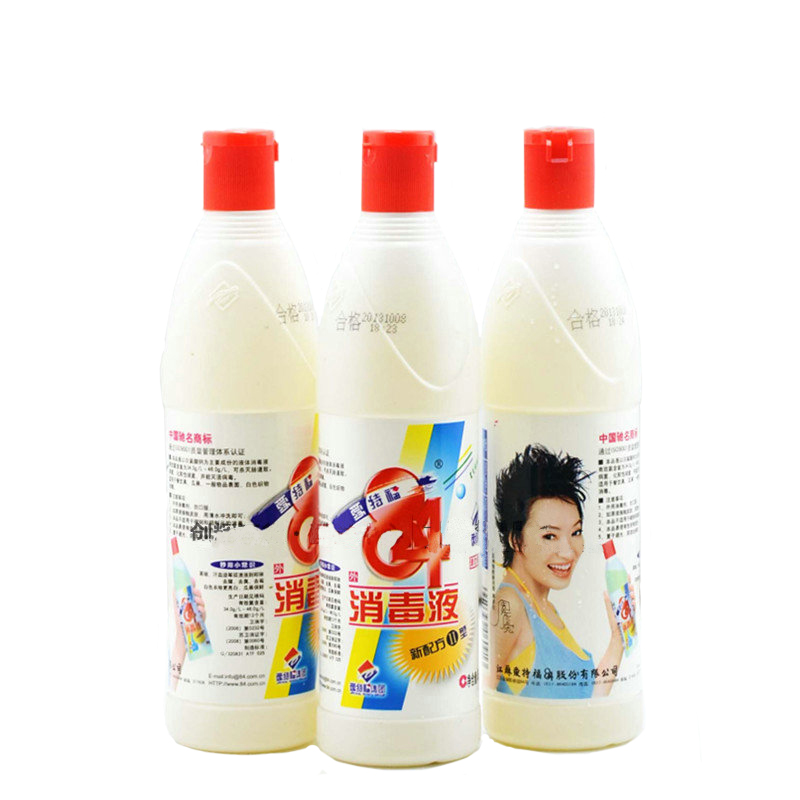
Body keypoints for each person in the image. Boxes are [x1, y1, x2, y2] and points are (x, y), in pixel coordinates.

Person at [491, 444, 626, 698]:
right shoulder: (510, 604)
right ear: (516, 540)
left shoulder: (545, 607)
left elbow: (585, 702)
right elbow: (489, 697)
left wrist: (617, 642)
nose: (568, 552)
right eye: (550, 536)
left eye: (575, 532)